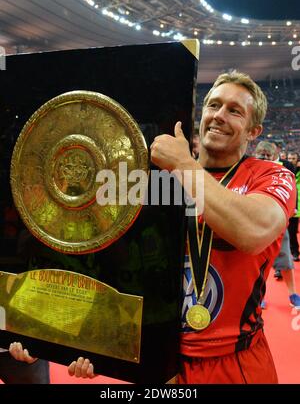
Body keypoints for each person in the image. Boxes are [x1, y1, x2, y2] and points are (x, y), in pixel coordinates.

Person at [10, 71, 297, 384]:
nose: (219, 116)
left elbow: (252, 232)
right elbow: (96, 257)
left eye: (234, 110)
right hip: (158, 359)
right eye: (213, 106)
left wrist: (184, 165)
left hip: (234, 362)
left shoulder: (269, 176)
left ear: (254, 130)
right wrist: (52, 335)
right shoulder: (151, 180)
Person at [254, 141, 300, 310]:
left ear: (274, 156)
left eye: (267, 155)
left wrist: (291, 207)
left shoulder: (283, 170)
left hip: (278, 223)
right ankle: (259, 297)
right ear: (255, 153)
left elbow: (291, 189)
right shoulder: (249, 169)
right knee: (257, 263)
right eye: (261, 154)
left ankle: (293, 294)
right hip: (256, 223)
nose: (264, 157)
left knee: (286, 259)